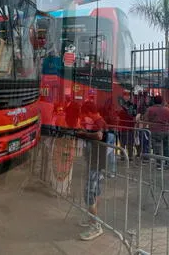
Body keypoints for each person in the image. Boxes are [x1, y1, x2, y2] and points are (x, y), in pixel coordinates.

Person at [76, 101, 108, 241]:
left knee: (89, 193)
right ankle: (92, 219)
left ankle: (96, 226)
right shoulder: (97, 122)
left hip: (96, 164)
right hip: (96, 163)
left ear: (88, 112)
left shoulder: (99, 122)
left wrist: (83, 134)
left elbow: (99, 136)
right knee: (95, 192)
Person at [144, 95, 169, 170]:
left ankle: (159, 164)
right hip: (166, 130)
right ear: (162, 101)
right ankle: (167, 163)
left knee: (157, 147)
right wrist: (168, 125)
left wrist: (146, 126)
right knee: (166, 147)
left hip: (155, 130)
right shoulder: (167, 109)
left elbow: (146, 119)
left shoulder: (150, 109)